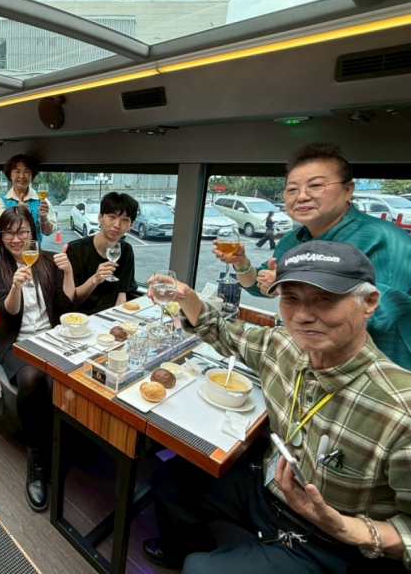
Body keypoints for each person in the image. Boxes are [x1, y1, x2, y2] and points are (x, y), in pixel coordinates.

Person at [143, 241, 410, 573]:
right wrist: (187, 297)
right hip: (269, 490)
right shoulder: (283, 346)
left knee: (200, 569)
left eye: (324, 299)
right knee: (169, 483)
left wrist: (346, 529)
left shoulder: (400, 408)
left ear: (368, 302)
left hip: (329, 539)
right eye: (291, 298)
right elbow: (221, 332)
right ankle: (184, 552)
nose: (302, 315)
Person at [215, 143, 411, 370]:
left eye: (316, 186)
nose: (301, 196)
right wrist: (241, 263)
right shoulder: (293, 239)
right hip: (309, 360)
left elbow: (378, 316)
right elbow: (261, 286)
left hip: (375, 369)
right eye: (292, 189)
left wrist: (291, 285)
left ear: (348, 190)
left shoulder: (384, 239)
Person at [0, 207, 75, 512]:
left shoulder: (48, 260)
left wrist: (69, 272)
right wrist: (15, 285)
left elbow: (66, 304)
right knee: (31, 377)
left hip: (51, 339)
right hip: (18, 343)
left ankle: (57, 447)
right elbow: (8, 313)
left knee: (56, 381)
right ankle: (36, 458)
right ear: (1, 236)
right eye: (9, 233)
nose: (16, 239)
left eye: (23, 231)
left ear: (32, 233)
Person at [66, 192, 138, 315]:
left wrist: (120, 320)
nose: (117, 225)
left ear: (130, 225)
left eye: (125, 220)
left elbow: (122, 295)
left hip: (110, 317)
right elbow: (69, 302)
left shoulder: (126, 250)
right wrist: (95, 279)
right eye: (112, 217)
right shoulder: (76, 250)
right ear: (100, 217)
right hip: (79, 319)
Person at [0, 154, 56, 244]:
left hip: (31, 250)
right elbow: (0, 224)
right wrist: (17, 212)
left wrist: (43, 217)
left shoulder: (41, 200)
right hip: (5, 251)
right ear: (10, 175)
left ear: (32, 175)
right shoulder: (1, 199)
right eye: (17, 172)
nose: (21, 176)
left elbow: (48, 232)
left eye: (26, 171)